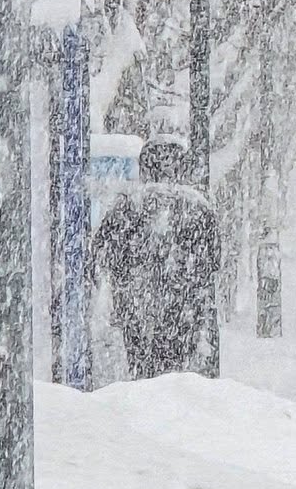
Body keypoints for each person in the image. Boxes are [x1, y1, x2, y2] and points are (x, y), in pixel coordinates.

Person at [93, 136, 220, 380]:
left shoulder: (127, 206)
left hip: (136, 305)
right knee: (179, 371)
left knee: (141, 369)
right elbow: (213, 261)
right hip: (184, 306)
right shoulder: (200, 208)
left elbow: (102, 252)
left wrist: (123, 281)